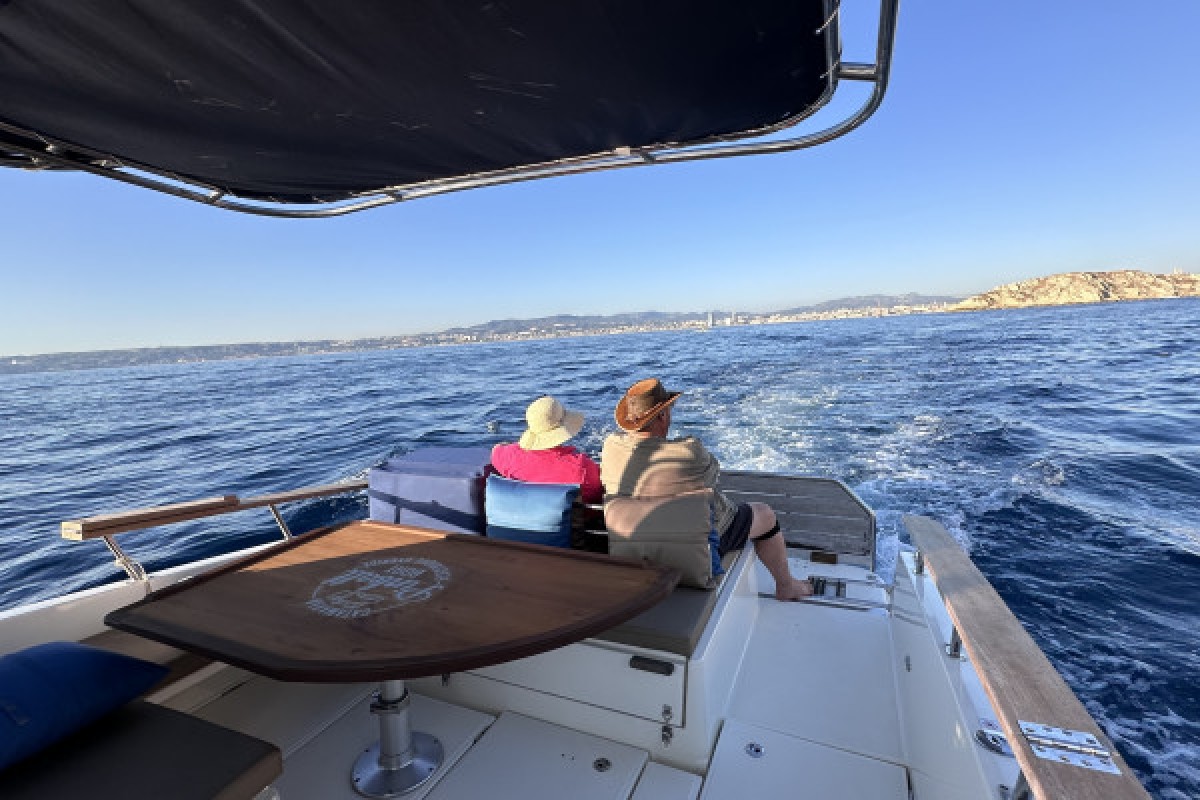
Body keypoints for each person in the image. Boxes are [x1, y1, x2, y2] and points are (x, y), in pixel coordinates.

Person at [601, 378, 813, 601]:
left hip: (633, 550)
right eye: (669, 410)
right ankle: (786, 586)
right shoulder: (689, 452)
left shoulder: (610, 448)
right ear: (663, 415)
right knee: (765, 514)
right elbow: (712, 476)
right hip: (693, 551)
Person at [491, 396, 603, 504]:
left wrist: (513, 448)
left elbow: (497, 449)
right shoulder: (583, 467)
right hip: (573, 520)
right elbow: (596, 496)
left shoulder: (505, 456)